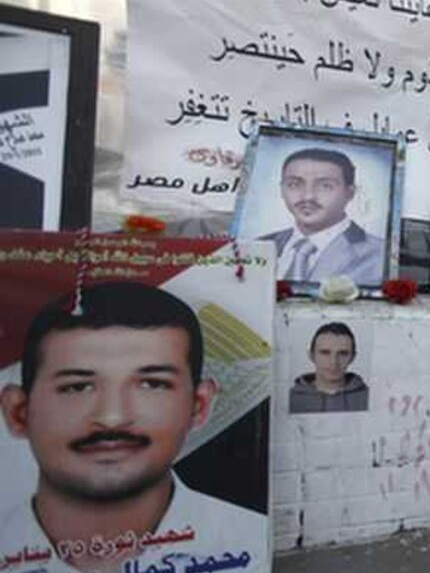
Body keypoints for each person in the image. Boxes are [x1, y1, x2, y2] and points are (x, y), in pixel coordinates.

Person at [0, 282, 267, 573]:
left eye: (152, 384)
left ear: (198, 405)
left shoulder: (253, 546)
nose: (113, 417)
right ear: (19, 412)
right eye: (78, 387)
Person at [259, 147, 385, 287]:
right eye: (294, 184)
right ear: (282, 189)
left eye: (325, 186)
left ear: (350, 193)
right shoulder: (260, 245)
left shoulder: (379, 255)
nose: (308, 196)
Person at [288, 322, 369, 414]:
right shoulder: (286, 400)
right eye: (325, 353)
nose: (333, 362)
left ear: (352, 357)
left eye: (343, 353)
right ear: (311, 355)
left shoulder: (372, 400)